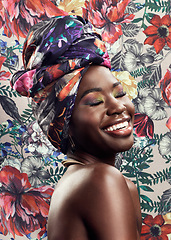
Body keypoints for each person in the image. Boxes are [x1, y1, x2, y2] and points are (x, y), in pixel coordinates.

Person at [11, 15, 142, 240]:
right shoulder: (100, 180)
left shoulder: (94, 180)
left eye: (119, 93)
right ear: (64, 124)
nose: (118, 106)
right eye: (95, 102)